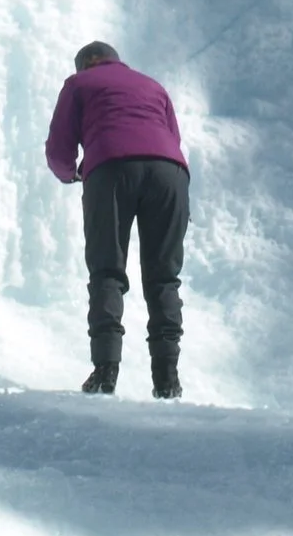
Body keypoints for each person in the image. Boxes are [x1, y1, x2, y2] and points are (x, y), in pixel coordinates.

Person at [45, 40, 188, 398]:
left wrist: (70, 174)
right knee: (164, 276)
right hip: (170, 172)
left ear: (85, 64)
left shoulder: (78, 84)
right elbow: (173, 135)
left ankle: (105, 371)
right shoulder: (153, 86)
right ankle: (167, 379)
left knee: (107, 269)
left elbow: (59, 148)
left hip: (111, 167)